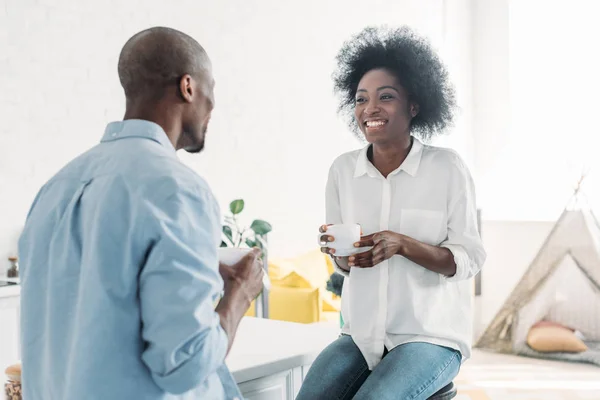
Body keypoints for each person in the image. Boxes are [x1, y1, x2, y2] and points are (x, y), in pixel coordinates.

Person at [18, 27, 264, 400]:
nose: (213, 106)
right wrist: (240, 293)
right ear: (188, 87)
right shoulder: (179, 190)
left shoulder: (56, 187)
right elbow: (186, 366)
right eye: (211, 91)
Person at [297, 26, 486, 400]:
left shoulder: (447, 168)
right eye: (361, 99)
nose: (370, 109)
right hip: (361, 335)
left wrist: (402, 245)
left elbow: (470, 260)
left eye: (386, 97)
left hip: (430, 337)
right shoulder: (342, 171)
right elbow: (346, 267)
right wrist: (341, 256)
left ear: (413, 105)